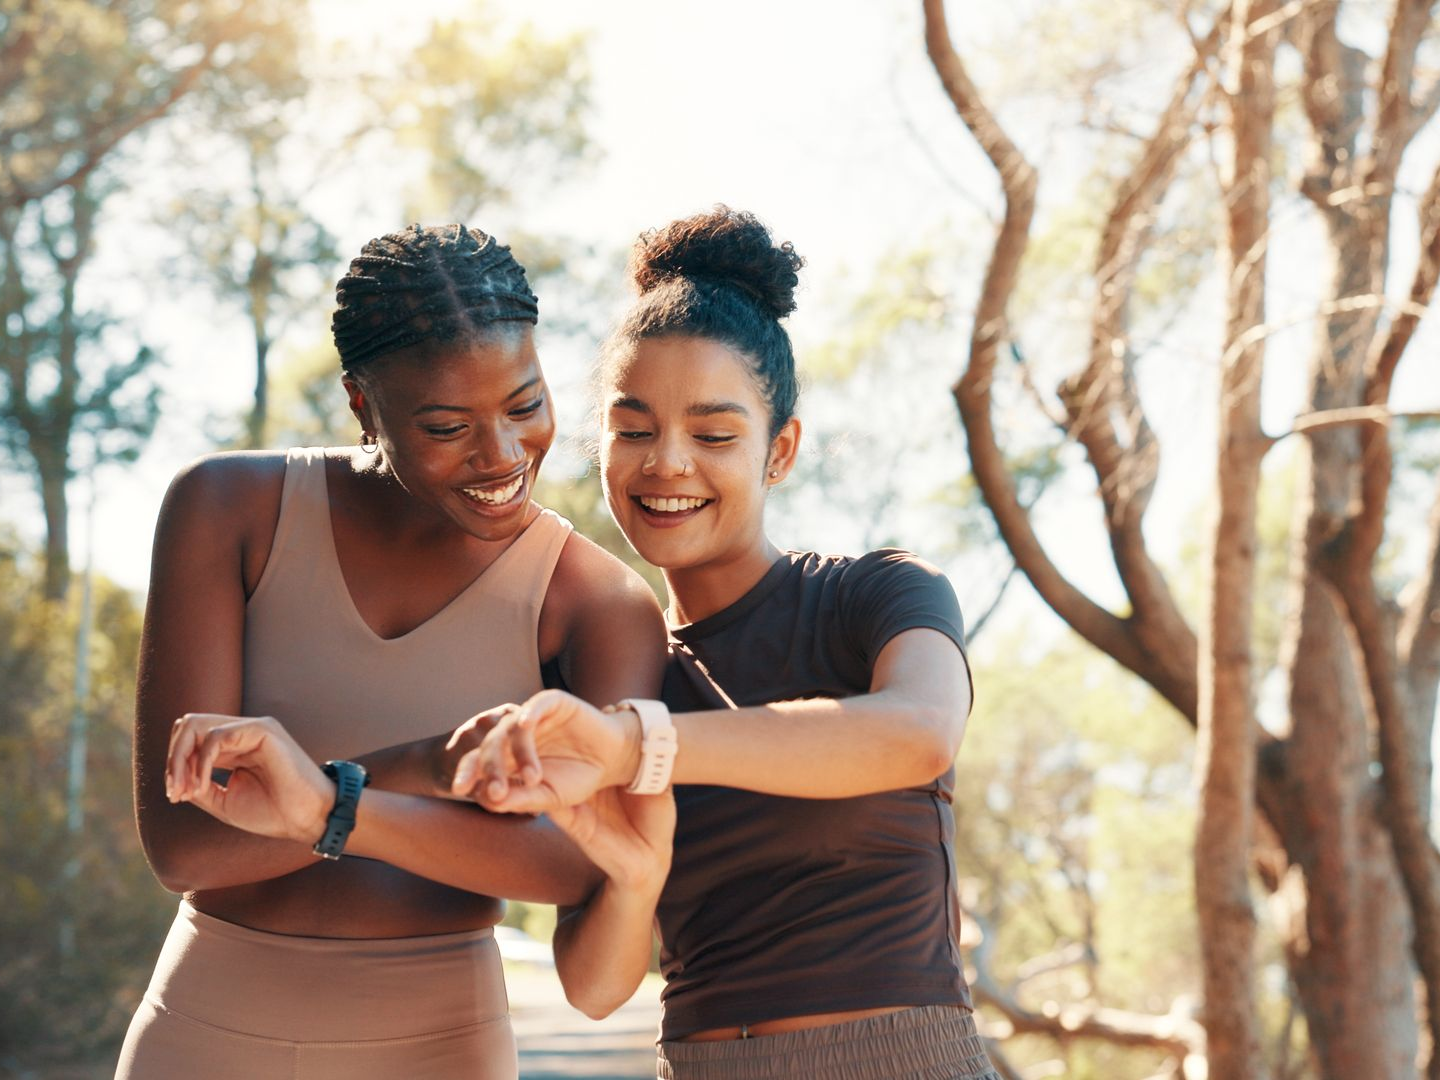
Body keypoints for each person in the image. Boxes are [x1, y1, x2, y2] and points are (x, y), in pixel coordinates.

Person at [116, 224, 672, 1080]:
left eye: (525, 404)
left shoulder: (597, 605)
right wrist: (422, 766)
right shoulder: (227, 511)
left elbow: (574, 867)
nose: (503, 455)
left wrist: (324, 801)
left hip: (442, 1043)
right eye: (447, 425)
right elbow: (187, 845)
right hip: (207, 1026)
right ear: (363, 407)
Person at [464, 207, 1001, 1079]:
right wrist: (636, 879)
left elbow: (918, 734)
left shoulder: (876, 595)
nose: (667, 463)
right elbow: (595, 989)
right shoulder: (608, 669)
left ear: (779, 451)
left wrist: (642, 746)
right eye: (633, 430)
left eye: (714, 435)